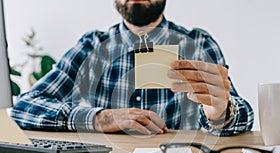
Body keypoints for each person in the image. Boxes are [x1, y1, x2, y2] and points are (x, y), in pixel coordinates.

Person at [11, 0, 254, 136]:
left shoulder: (198, 44)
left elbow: (245, 118)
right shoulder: (91, 47)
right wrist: (99, 118)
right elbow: (23, 106)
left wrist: (221, 112)